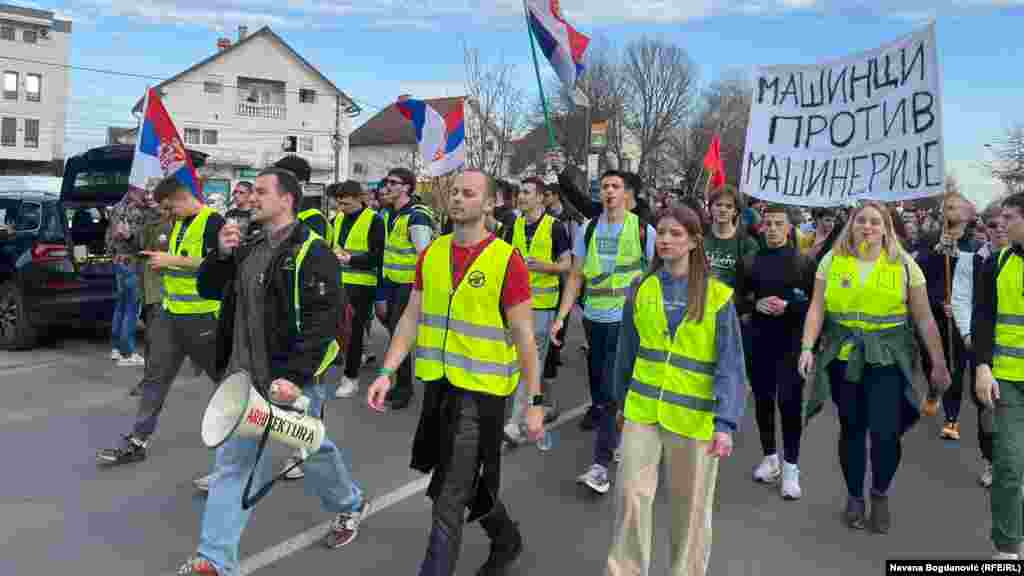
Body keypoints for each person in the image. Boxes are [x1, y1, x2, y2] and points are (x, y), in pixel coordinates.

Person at [175, 167, 366, 576]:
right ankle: (214, 560)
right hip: (244, 380)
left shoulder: (312, 252)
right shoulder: (249, 245)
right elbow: (209, 288)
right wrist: (221, 255)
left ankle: (349, 504)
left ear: (287, 200)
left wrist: (295, 378)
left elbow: (323, 321)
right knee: (236, 465)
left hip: (289, 380)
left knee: (311, 447)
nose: (251, 197)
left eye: (261, 191)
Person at [367, 168, 543, 576]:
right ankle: (505, 538)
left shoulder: (506, 260)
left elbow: (524, 338)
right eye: (453, 192)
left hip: (482, 395)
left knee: (448, 493)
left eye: (469, 193)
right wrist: (387, 370)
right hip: (440, 387)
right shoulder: (432, 253)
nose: (458, 198)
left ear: (489, 204)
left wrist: (534, 402)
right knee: (455, 478)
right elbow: (411, 317)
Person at [606, 202, 745, 576]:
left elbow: (731, 365)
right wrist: (620, 401)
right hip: (642, 410)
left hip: (695, 418)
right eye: (662, 233)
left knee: (690, 511)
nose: (665, 240)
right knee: (632, 498)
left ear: (694, 242)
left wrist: (725, 423)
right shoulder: (642, 288)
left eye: (675, 234)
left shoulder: (717, 297)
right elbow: (626, 351)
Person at [799, 201, 951, 533]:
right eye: (861, 221)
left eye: (875, 222)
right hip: (844, 359)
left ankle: (879, 492)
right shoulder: (832, 261)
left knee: (885, 433)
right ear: (851, 225)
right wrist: (807, 347)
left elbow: (924, 319)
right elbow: (816, 308)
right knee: (851, 428)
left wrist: (938, 363)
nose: (867, 227)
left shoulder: (905, 265)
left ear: (886, 228)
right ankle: (855, 495)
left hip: (888, 360)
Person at [96, 177, 225, 467]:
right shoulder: (178, 223)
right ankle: (138, 440)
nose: (166, 215)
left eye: (168, 208)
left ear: (181, 198)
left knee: (225, 381)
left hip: (203, 318)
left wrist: (170, 261)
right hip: (170, 315)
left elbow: (218, 263)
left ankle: (236, 451)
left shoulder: (214, 222)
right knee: (155, 378)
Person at [550, 170, 656, 494]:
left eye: (615, 186)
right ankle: (625, 434)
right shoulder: (589, 227)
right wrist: (561, 316)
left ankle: (600, 466)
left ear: (627, 194)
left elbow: (656, 277)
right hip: (593, 318)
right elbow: (576, 276)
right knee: (599, 388)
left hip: (626, 320)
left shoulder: (643, 230)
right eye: (604, 187)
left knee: (610, 391)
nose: (608, 191)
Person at [742, 205, 815, 499]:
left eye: (778, 224)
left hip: (791, 343)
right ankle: (770, 458)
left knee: (789, 404)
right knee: (762, 401)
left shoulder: (803, 263)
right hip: (759, 340)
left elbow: (816, 304)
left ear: (789, 229)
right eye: (768, 223)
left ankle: (791, 468)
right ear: (761, 228)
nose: (772, 228)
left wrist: (789, 307)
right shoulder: (749, 261)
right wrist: (754, 305)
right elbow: (738, 297)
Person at [502, 177, 571, 444]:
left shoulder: (556, 227)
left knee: (531, 364)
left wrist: (545, 266)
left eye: (528, 192)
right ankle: (533, 410)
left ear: (541, 198)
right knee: (512, 361)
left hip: (542, 308)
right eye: (520, 192)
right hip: (514, 305)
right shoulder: (514, 224)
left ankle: (515, 422)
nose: (521, 196)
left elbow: (566, 265)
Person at [975, 192, 1024, 559]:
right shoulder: (997, 262)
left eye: (1009, 217)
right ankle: (1007, 549)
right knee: (1008, 464)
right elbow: (984, 319)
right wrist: (981, 365)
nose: (1000, 225)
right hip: (1007, 379)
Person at [916, 191, 981, 441]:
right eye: (945, 208)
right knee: (932, 363)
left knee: (956, 366)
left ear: (967, 214)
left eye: (953, 207)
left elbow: (980, 285)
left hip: (960, 317)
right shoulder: (931, 240)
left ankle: (952, 419)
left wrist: (964, 306)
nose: (948, 212)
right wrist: (936, 301)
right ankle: (934, 390)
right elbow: (919, 278)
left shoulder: (975, 247)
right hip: (932, 314)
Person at [953, 201, 1008, 488]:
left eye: (1004, 223)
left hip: (1014, 347)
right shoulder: (973, 260)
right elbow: (962, 299)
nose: (1000, 230)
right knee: (987, 406)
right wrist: (967, 334)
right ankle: (990, 460)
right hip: (981, 344)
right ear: (985, 229)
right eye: (993, 225)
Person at [378, 167, 435, 409]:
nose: (387, 186)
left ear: (407, 188)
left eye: (393, 182)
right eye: (386, 182)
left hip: (409, 285)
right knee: (394, 334)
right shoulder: (389, 213)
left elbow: (425, 256)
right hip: (392, 282)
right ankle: (401, 384)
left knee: (399, 334)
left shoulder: (416, 216)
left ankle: (404, 389)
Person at [329, 180, 386, 399]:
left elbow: (377, 256)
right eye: (339, 204)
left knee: (353, 333)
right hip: (339, 281)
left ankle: (351, 379)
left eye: (346, 204)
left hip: (362, 284)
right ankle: (345, 367)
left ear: (360, 198)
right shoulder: (338, 218)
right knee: (337, 329)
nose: (342, 208)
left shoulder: (375, 220)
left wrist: (350, 259)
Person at [129, 189, 173, 396]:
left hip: (162, 291)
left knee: (156, 340)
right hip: (149, 290)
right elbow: (138, 247)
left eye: (163, 206)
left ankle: (152, 381)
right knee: (152, 339)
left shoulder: (171, 226)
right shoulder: (150, 224)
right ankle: (151, 379)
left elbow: (159, 251)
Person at [105, 185, 148, 366]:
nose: (145, 196)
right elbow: (140, 240)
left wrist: (112, 254)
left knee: (121, 306)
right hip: (132, 262)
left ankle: (116, 348)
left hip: (118, 261)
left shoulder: (116, 209)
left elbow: (108, 237)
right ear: (133, 192)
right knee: (131, 309)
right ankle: (127, 352)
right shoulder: (138, 212)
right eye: (142, 192)